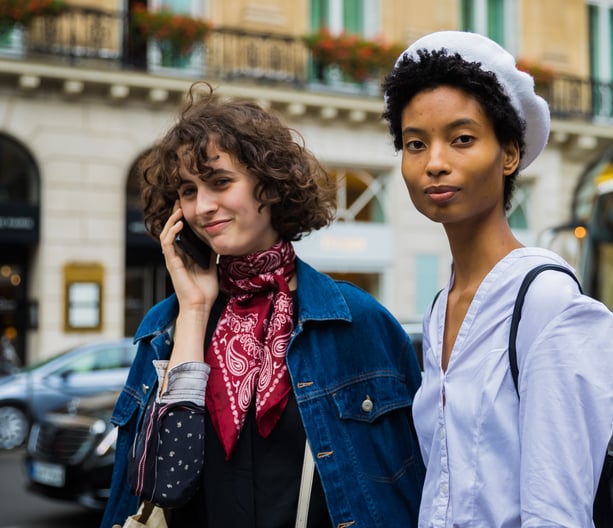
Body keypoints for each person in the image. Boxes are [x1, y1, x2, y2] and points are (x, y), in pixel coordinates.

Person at [101, 82, 425, 528]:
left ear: (269, 187)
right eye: (189, 191)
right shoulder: (166, 328)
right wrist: (194, 312)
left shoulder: (356, 320)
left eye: (220, 182)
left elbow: (413, 486)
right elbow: (163, 486)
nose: (203, 207)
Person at [382, 31, 613, 527]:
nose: (435, 163)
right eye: (415, 144)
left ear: (509, 154)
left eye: (462, 138)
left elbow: (558, 513)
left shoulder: (549, 303)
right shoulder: (438, 309)